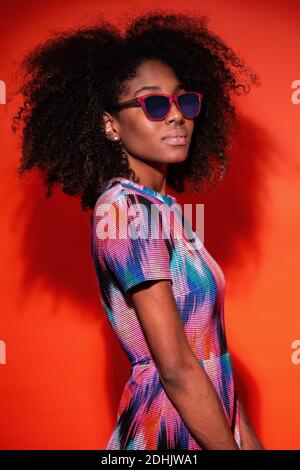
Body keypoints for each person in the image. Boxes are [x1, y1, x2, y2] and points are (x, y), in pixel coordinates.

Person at [12, 9, 265, 450]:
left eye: (183, 101)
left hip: (206, 424)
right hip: (165, 436)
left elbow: (209, 357)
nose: (175, 116)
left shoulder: (160, 210)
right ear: (111, 125)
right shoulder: (125, 210)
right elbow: (176, 368)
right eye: (153, 103)